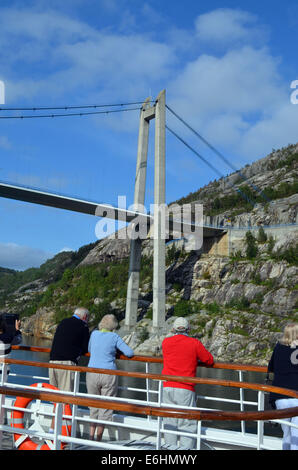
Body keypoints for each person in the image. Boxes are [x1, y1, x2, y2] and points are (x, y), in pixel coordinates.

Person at [161, 317, 214, 449]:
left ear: (173, 329)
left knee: (169, 421)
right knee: (187, 423)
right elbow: (209, 360)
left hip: (167, 386)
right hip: (185, 388)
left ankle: (169, 449)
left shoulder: (166, 342)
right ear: (188, 329)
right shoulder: (194, 343)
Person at [86, 314, 134, 441]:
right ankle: (98, 439)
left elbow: (90, 349)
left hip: (92, 373)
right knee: (106, 407)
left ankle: (90, 437)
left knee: (93, 405)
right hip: (108, 374)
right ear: (113, 326)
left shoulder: (94, 334)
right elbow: (129, 353)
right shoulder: (114, 336)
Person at [268, 322, 298, 450]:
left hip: (280, 396)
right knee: (296, 435)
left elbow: (271, 368)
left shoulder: (278, 348)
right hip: (296, 396)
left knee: (286, 434)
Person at [49, 307, 90, 392]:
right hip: (67, 362)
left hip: (53, 361)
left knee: (53, 394)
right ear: (85, 317)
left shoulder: (63, 322)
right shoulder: (83, 326)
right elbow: (86, 348)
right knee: (66, 395)